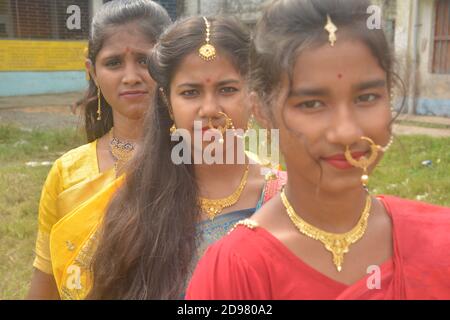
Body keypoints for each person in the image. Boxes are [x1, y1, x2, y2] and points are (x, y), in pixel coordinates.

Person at [186, 0, 450, 300]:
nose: (347, 131)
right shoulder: (235, 271)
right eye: (311, 104)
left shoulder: (440, 240)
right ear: (261, 110)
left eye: (366, 97)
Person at [86, 15, 286, 299]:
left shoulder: (285, 200)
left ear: (253, 96)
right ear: (168, 103)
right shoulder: (137, 200)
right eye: (190, 92)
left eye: (227, 89)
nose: (209, 109)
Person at [27, 0, 172, 300]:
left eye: (145, 61)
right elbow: (46, 287)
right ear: (92, 72)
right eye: (114, 62)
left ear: (169, 65)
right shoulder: (67, 174)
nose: (131, 76)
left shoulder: (198, 159)